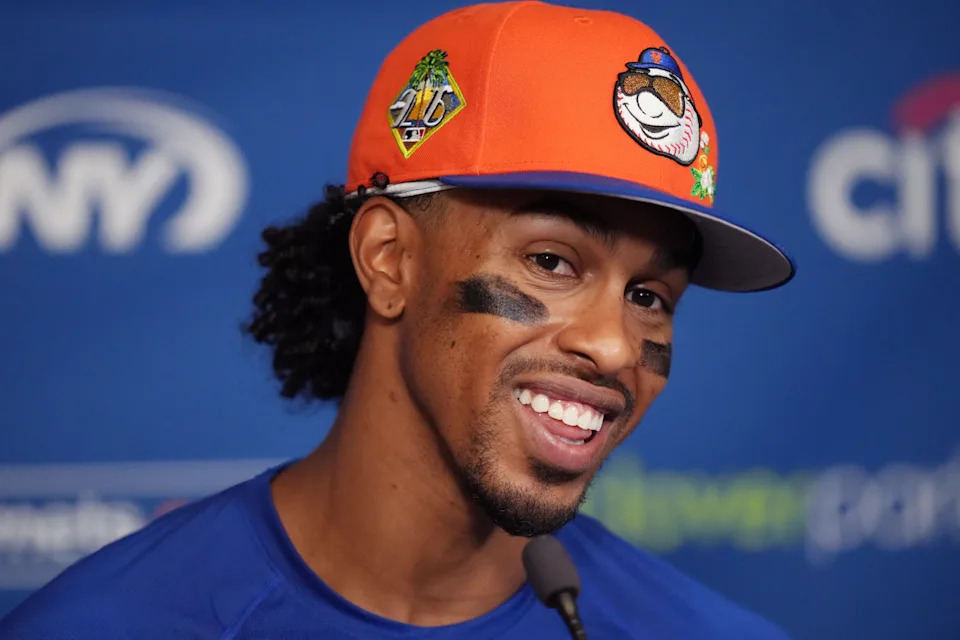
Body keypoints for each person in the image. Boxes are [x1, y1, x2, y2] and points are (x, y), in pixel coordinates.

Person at [1, 2, 796, 638]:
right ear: (389, 259)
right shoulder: (109, 624)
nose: (614, 345)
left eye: (650, 296)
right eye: (552, 262)